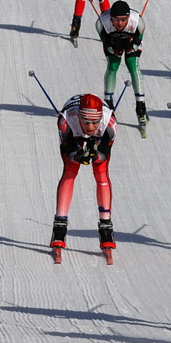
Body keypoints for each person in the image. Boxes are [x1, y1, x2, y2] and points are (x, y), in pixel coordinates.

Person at [51, 92, 118, 255]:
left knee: (101, 171)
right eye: (86, 122)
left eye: (95, 122)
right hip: (73, 133)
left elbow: (104, 155)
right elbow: (68, 153)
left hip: (98, 136)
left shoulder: (109, 123)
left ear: (100, 118)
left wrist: (96, 154)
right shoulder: (65, 121)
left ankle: (106, 227)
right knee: (70, 170)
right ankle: (59, 227)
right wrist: (76, 154)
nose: (90, 127)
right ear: (78, 117)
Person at [96, 0, 147, 124]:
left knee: (132, 65)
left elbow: (137, 41)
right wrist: (112, 48)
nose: (119, 23)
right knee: (113, 66)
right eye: (116, 19)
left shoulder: (138, 22)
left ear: (129, 17)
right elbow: (106, 42)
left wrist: (131, 46)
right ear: (110, 18)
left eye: (124, 19)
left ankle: (140, 105)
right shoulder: (101, 23)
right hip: (112, 40)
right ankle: (108, 101)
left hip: (130, 39)